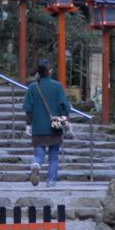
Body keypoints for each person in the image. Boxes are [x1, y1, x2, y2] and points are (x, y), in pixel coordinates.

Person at [23, 58, 70, 187]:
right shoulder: (57, 86)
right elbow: (65, 106)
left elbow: (28, 108)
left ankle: (36, 164)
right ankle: (51, 180)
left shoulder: (33, 87)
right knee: (54, 155)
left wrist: (28, 125)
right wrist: (65, 117)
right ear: (49, 71)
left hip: (38, 127)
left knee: (39, 153)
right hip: (54, 127)